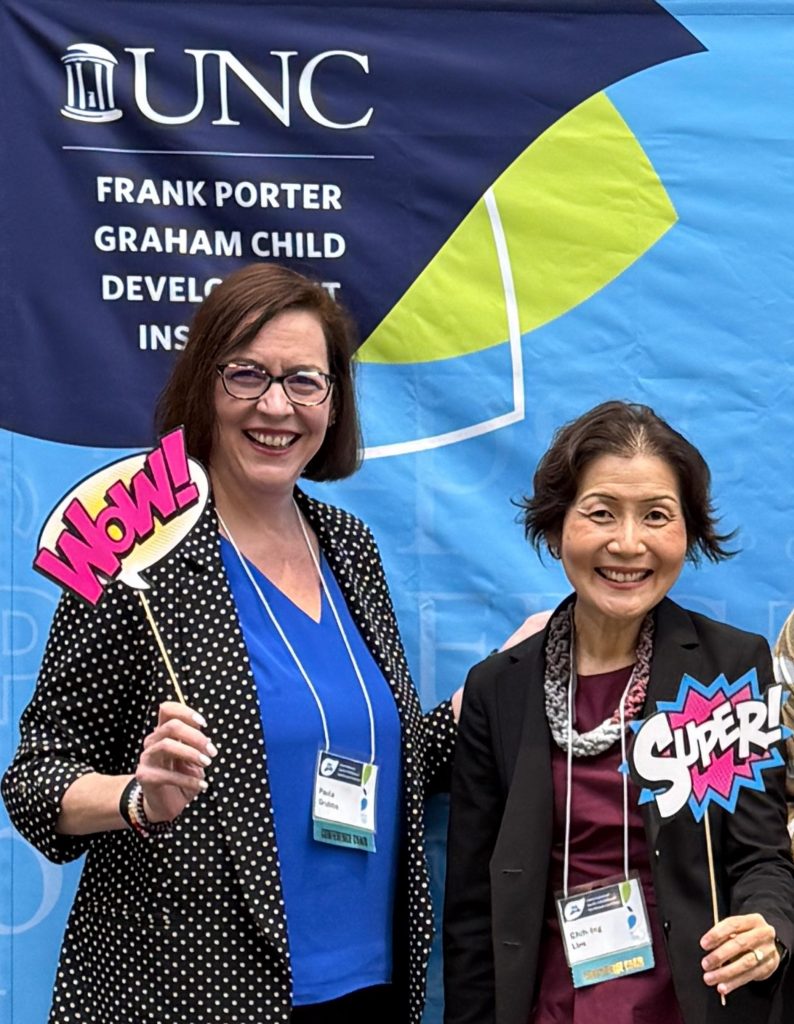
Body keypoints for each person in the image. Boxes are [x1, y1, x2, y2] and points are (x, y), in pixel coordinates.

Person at [2, 263, 459, 1024]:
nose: (276, 406)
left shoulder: (350, 547)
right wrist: (138, 799)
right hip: (193, 992)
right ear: (203, 387)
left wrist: (502, 682)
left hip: (369, 985)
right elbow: (35, 781)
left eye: (304, 381)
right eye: (247, 375)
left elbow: (389, 757)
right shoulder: (135, 550)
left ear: (333, 403)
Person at [443, 400, 794, 1024]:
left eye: (656, 516)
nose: (628, 543)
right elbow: (473, 909)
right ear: (556, 528)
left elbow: (762, 854)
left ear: (688, 533)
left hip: (695, 1003)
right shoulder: (499, 690)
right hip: (546, 1007)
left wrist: (770, 926)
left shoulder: (729, 669)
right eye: (601, 513)